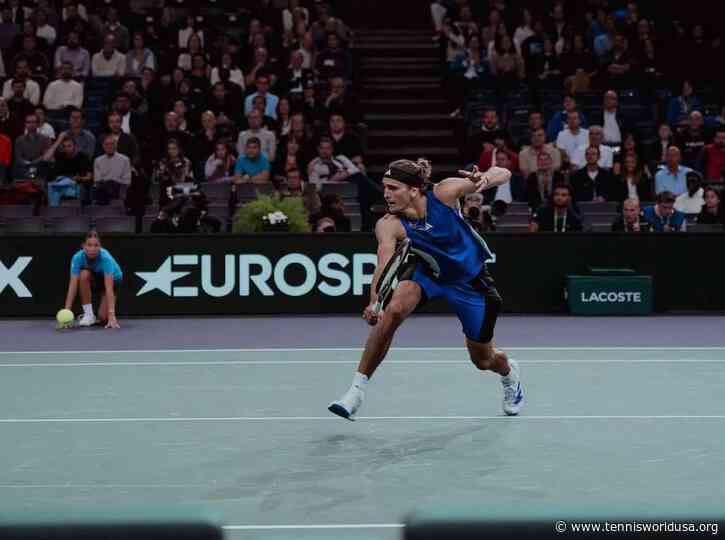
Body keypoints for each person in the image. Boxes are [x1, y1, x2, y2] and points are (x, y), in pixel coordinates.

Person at [328, 160, 524, 420]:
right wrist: (375, 302)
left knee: (483, 360)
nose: (386, 194)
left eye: (393, 188)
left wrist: (483, 180)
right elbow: (384, 265)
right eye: (385, 187)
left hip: (470, 282)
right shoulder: (389, 224)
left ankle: (510, 374)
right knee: (393, 311)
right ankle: (355, 392)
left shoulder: (443, 193)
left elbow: (504, 173)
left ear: (413, 190)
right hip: (428, 273)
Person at [63, 230, 123, 329]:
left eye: (96, 245)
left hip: (113, 281)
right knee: (84, 274)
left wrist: (111, 315)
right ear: (83, 246)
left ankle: (102, 316)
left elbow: (109, 288)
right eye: (89, 245)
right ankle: (89, 315)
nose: (92, 249)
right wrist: (67, 312)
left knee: (103, 318)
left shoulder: (105, 258)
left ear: (100, 247)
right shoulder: (77, 258)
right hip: (94, 279)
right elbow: (73, 285)